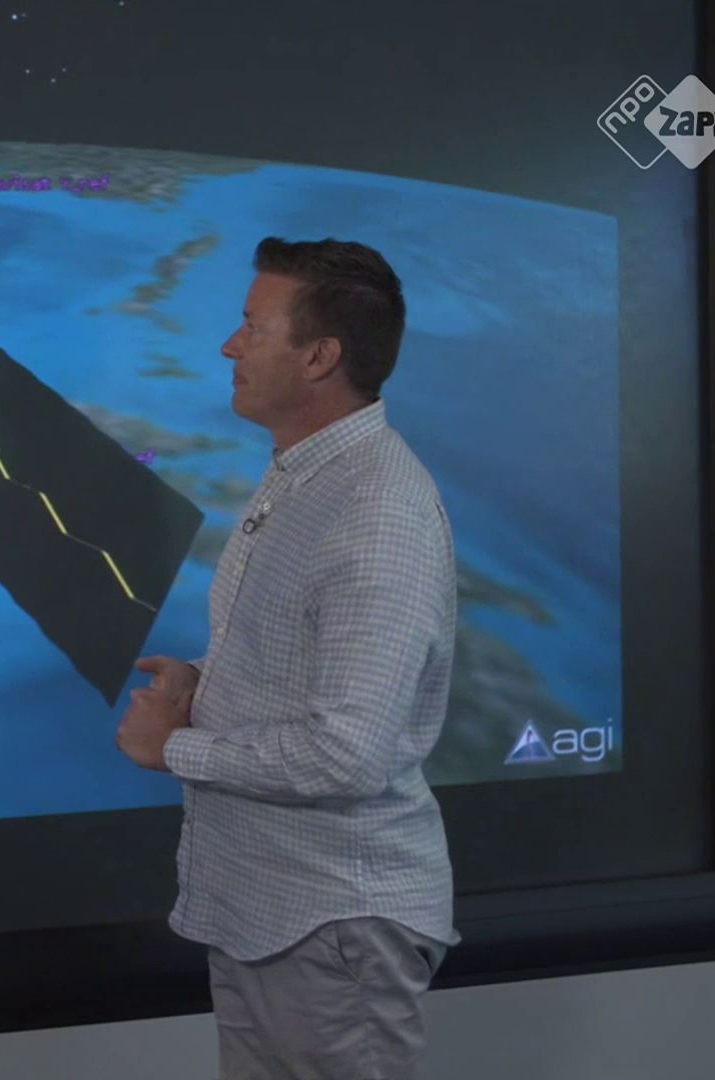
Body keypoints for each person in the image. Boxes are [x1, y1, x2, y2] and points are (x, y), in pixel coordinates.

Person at [116, 238, 459, 1079]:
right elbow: (309, 675)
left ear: (319, 357)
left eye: (251, 327)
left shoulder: (374, 514)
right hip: (274, 920)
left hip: (331, 930)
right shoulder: (309, 477)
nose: (228, 346)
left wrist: (176, 748)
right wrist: (208, 690)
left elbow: (348, 753)